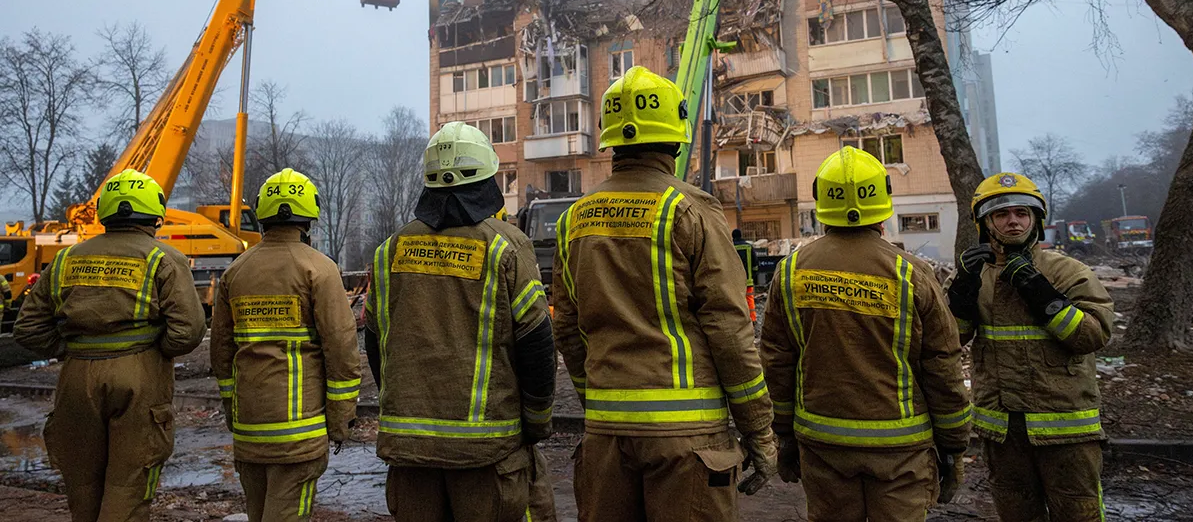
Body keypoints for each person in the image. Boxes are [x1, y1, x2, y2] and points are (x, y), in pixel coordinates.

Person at [552, 66, 777, 522]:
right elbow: (730, 329)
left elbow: (567, 328)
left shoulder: (573, 220)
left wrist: (598, 396)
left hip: (605, 439)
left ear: (611, 141)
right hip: (687, 442)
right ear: (675, 139)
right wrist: (759, 432)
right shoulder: (690, 210)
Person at [760, 147, 971, 522]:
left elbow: (777, 361)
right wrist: (953, 447)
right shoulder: (912, 273)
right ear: (883, 201)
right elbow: (942, 365)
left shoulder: (791, 272)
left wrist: (784, 435)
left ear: (822, 200)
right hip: (900, 450)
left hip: (824, 445)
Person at [365, 121, 556, 522]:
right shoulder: (506, 244)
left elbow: (374, 342)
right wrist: (536, 423)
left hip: (410, 454)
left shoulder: (389, 250)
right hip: (486, 455)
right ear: (487, 180)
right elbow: (536, 344)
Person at [15, 169, 206, 521]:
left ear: (105, 212)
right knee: (128, 485)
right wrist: (152, 346)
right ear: (155, 214)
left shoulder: (66, 259)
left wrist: (71, 348)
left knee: (82, 483)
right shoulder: (163, 258)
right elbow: (189, 331)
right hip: (137, 374)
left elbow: (27, 328)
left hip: (75, 377)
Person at [948, 172, 1114, 521]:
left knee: (1079, 513)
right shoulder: (975, 274)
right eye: (1001, 214)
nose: (1013, 222)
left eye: (1022, 213)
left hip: (1066, 430)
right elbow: (950, 341)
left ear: (1036, 219)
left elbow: (1093, 336)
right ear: (985, 223)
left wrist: (1043, 295)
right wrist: (961, 293)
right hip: (1003, 432)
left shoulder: (1068, 272)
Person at [210, 168, 361, 522]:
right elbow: (341, 350)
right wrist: (340, 421)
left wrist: (234, 408)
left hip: (249, 429)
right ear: (309, 217)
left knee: (258, 513)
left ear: (262, 214)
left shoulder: (236, 271)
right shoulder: (319, 269)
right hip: (299, 433)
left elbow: (221, 351)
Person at [731, 229, 757, 322]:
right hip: (748, 281)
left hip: (734, 282)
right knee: (749, 299)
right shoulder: (749, 247)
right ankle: (752, 319)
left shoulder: (730, 247)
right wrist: (753, 276)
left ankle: (738, 321)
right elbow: (755, 264)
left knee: (736, 301)